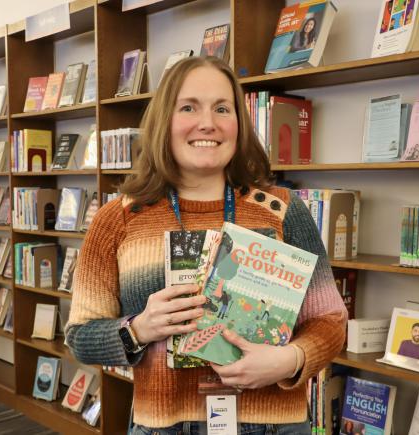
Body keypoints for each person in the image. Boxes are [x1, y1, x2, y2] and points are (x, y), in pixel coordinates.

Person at [65, 56, 347, 434]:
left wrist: (291, 360)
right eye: (188, 107)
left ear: (238, 124)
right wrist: (139, 329)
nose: (207, 123)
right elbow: (80, 338)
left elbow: (330, 321)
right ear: (164, 120)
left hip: (274, 425)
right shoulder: (118, 218)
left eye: (221, 108)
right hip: (165, 425)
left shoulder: (284, 211)